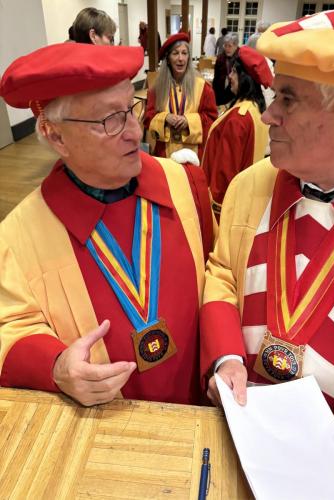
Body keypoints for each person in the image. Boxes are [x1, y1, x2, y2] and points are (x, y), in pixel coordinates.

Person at [0, 43, 214, 407]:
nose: (135, 131)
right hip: (101, 426)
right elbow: (10, 327)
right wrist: (56, 365)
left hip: (198, 412)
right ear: (55, 136)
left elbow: (217, 280)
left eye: (131, 107)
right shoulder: (19, 234)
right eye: (109, 120)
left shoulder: (184, 185)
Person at [200, 7, 334, 428]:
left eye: (288, 99)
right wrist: (225, 357)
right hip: (239, 430)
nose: (268, 115)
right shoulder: (249, 185)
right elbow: (223, 273)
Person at [202, 46, 272, 220]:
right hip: (244, 200)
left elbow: (224, 174)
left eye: (233, 71)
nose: (229, 76)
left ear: (245, 78)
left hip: (225, 207)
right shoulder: (256, 110)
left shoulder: (238, 119)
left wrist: (213, 215)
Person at [144, 33, 217, 160]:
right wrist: (165, 118)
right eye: (175, 53)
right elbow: (148, 119)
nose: (180, 58)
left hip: (194, 156)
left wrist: (189, 121)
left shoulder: (204, 88)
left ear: (189, 57)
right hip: (164, 154)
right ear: (167, 58)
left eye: (184, 53)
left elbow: (212, 120)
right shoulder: (156, 89)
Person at [212, 32, 239, 106]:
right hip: (221, 91)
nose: (227, 48)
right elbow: (216, 78)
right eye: (225, 45)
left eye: (229, 46)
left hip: (235, 93)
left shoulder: (240, 58)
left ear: (236, 46)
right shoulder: (220, 58)